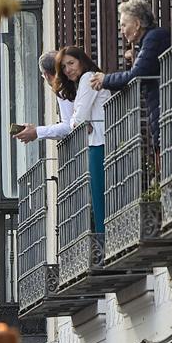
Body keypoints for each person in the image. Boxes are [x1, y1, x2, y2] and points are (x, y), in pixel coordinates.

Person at [90, 0, 170, 139]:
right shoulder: (149, 40)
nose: (122, 31)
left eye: (124, 25)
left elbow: (137, 74)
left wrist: (105, 79)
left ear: (137, 24)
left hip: (166, 106)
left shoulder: (153, 38)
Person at [59, 46, 112, 232]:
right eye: (64, 67)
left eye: (71, 63)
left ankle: (103, 238)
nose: (68, 70)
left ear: (82, 61)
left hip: (99, 142)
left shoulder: (88, 77)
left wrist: (78, 120)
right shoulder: (87, 79)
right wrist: (78, 120)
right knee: (100, 195)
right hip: (99, 140)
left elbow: (78, 119)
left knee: (100, 195)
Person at [15, 51, 74, 143]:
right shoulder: (71, 82)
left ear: (46, 75)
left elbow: (68, 127)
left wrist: (36, 132)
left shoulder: (63, 88)